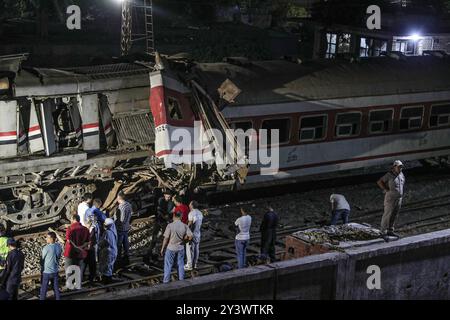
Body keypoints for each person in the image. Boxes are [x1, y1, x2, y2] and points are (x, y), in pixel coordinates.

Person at [377, 160, 406, 241]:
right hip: (390, 198)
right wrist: (385, 189)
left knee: (394, 214)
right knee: (387, 214)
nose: (401, 168)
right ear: (394, 167)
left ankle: (390, 230)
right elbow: (380, 182)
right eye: (399, 167)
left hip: (399, 198)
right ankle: (383, 232)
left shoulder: (401, 175)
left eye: (401, 167)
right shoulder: (389, 175)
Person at [161, 211, 193, 283]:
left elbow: (166, 238)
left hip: (171, 248)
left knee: (168, 265)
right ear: (181, 217)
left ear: (174, 216)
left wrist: (162, 248)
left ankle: (166, 281)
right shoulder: (185, 226)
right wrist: (184, 242)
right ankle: (181, 280)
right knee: (180, 264)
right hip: (180, 248)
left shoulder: (170, 225)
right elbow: (191, 236)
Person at [63, 214, 90, 289]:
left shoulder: (70, 228)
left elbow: (69, 240)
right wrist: (80, 248)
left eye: (71, 219)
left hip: (70, 253)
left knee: (69, 269)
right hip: (81, 253)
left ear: (73, 219)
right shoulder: (86, 229)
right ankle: (78, 285)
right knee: (79, 269)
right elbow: (88, 242)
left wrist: (76, 247)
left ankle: (69, 286)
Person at [146, 190, 174, 261]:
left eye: (169, 197)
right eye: (167, 197)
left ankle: (163, 251)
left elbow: (169, 212)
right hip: (159, 220)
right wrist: (165, 215)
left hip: (164, 221)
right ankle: (151, 251)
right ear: (164, 195)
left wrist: (167, 215)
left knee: (165, 237)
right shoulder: (161, 200)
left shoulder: (170, 202)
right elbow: (158, 210)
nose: (168, 198)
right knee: (154, 236)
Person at [40, 232, 62, 300]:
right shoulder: (58, 246)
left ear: (52, 239)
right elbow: (58, 256)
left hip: (47, 271)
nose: (46, 239)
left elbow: (42, 259)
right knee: (56, 287)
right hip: (55, 270)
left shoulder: (46, 248)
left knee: (44, 289)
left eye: (47, 237)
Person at [185, 201, 203, 271]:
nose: (188, 205)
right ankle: (195, 264)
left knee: (189, 250)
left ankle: (189, 265)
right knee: (196, 249)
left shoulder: (191, 213)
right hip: (198, 233)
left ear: (192, 205)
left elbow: (190, 223)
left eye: (189, 204)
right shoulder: (200, 213)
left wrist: (187, 232)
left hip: (192, 234)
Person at [98, 218, 118, 284]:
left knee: (106, 267)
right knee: (110, 266)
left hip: (108, 252)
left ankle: (106, 281)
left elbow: (103, 242)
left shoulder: (107, 232)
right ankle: (108, 279)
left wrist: (98, 244)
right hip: (113, 251)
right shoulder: (113, 231)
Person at [115, 192, 132, 265]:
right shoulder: (128, 204)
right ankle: (126, 257)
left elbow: (121, 220)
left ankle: (118, 260)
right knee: (126, 243)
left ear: (119, 198)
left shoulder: (121, 207)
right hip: (126, 227)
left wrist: (115, 225)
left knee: (118, 244)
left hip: (121, 228)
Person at [83, 217, 100, 282]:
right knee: (89, 263)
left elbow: (92, 239)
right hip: (88, 248)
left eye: (86, 224)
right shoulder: (90, 228)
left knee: (91, 263)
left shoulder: (93, 229)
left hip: (90, 248)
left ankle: (92, 276)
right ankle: (90, 276)